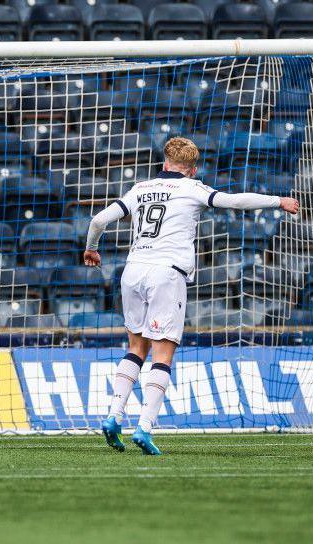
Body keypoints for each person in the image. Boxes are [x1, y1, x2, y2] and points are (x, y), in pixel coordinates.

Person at [83, 137, 300, 455]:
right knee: (162, 355)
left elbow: (99, 220)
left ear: (164, 164)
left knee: (135, 348)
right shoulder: (193, 188)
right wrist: (277, 201)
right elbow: (234, 201)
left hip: (132, 271)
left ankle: (114, 416)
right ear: (193, 169)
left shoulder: (140, 189)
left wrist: (91, 248)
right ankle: (144, 427)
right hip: (166, 273)